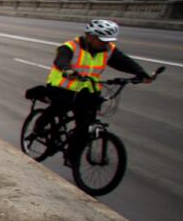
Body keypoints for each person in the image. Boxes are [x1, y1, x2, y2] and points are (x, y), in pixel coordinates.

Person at [32, 19, 154, 157]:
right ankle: (39, 126)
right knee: (59, 107)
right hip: (62, 87)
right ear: (90, 36)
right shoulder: (70, 47)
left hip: (88, 90)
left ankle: (73, 156)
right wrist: (67, 70)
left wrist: (141, 73)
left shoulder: (108, 49)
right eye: (102, 40)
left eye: (109, 40)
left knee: (85, 126)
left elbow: (124, 62)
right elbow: (61, 61)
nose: (106, 43)